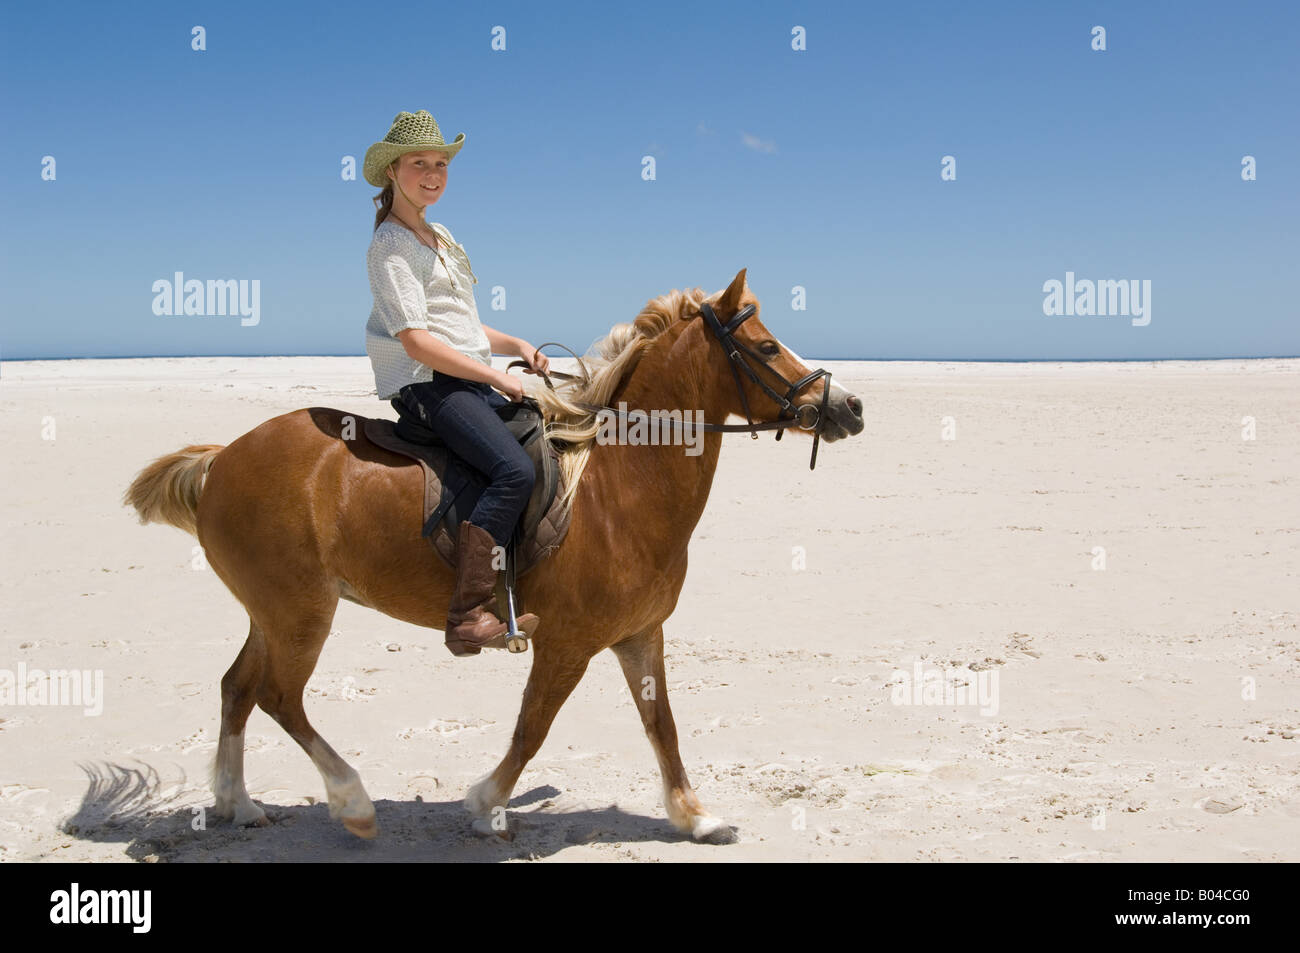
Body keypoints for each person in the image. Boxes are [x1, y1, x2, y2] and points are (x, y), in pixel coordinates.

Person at [362, 110, 549, 657]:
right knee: (511, 471)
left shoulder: (440, 236)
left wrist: (516, 346)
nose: (433, 173)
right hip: (429, 385)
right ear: (393, 170)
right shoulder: (391, 247)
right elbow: (418, 341)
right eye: (420, 163)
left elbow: (460, 326)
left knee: (545, 439)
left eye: (441, 163)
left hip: (465, 375)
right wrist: (494, 375)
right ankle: (468, 614)